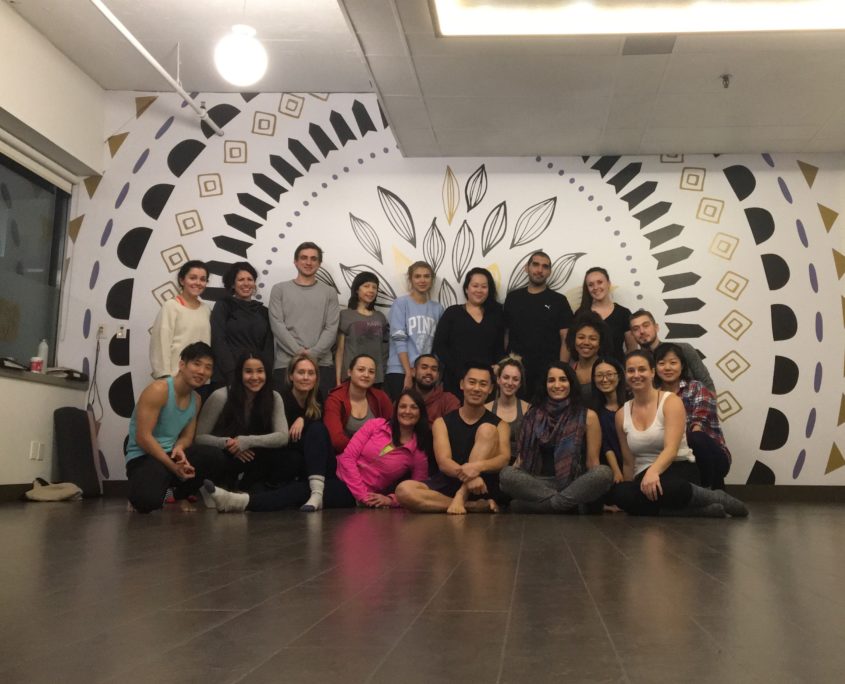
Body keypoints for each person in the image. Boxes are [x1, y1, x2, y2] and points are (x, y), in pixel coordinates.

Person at [203, 390, 432, 512]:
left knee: (299, 491)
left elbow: (418, 491)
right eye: (403, 406)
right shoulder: (376, 425)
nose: (407, 411)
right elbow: (349, 456)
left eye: (413, 407)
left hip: (352, 493)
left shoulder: (418, 452)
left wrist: (389, 500)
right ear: (395, 409)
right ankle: (317, 490)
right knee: (317, 428)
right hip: (334, 468)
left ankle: (238, 502)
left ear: (421, 413)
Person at [608, 350, 747, 517]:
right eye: (631, 370)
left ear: (652, 372)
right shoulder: (621, 414)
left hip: (677, 467)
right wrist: (629, 490)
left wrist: (653, 472)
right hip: (644, 475)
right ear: (625, 375)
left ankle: (717, 497)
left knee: (670, 488)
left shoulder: (671, 401)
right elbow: (628, 461)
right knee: (620, 494)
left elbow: (671, 449)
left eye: (642, 369)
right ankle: (698, 512)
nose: (636, 375)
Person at [395, 364, 510, 514]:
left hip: (481, 486)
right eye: (472, 382)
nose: (476, 388)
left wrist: (477, 468)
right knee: (403, 490)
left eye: (483, 384)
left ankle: (461, 496)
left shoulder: (501, 425)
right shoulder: (441, 423)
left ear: (490, 389)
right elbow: (444, 462)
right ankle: (472, 506)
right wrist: (470, 478)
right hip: (449, 484)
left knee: (487, 429)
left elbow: (503, 459)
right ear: (462, 384)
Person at [499, 363, 613, 513]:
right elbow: (521, 461)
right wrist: (511, 479)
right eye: (551, 380)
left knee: (604, 473)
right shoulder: (532, 415)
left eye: (563, 380)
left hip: (574, 484)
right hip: (537, 483)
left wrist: (592, 485)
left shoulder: (588, 416)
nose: (557, 385)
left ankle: (540, 506)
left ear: (571, 383)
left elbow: (592, 462)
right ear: (545, 385)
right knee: (506, 475)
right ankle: (568, 505)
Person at [125, 342, 224, 513]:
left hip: (170, 454)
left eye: (208, 367)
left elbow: (187, 436)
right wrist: (173, 467)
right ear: (182, 365)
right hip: (145, 455)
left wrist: (179, 448)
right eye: (197, 364)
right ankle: (148, 490)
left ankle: (176, 496)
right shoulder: (159, 389)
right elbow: (143, 437)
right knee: (146, 502)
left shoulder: (196, 399)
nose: (202, 371)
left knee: (215, 457)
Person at [194, 352, 288, 491]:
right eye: (248, 371)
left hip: (254, 455)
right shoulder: (221, 396)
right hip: (223, 455)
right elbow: (199, 438)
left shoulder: (274, 397)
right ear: (239, 373)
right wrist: (229, 444)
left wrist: (247, 441)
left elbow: (283, 436)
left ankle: (247, 491)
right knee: (214, 457)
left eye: (260, 371)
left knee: (287, 457)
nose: (255, 377)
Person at [654, 342, 731, 489]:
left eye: (673, 363)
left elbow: (698, 425)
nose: (667, 368)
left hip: (710, 455)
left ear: (682, 366)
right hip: (674, 455)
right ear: (655, 368)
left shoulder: (696, 387)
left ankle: (711, 489)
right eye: (662, 363)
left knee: (695, 437)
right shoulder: (654, 395)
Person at [269, 241, 339, 400]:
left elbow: (331, 328)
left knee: (320, 413)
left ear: (319, 263)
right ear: (295, 261)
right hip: (286, 365)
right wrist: (299, 352)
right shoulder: (279, 289)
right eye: (304, 258)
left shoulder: (330, 292)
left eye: (314, 259)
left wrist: (312, 354)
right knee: (284, 413)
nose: (308, 262)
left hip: (321, 365)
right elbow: (277, 325)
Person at [503, 250, 573, 397]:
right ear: (526, 268)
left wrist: (561, 370)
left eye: (545, 266)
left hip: (547, 374)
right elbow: (506, 334)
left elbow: (566, 338)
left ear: (549, 272)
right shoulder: (513, 298)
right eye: (535, 264)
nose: (540, 270)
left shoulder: (559, 301)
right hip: (516, 374)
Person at [432, 267, 505, 397]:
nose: (479, 290)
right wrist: (460, 372)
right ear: (466, 288)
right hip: (455, 380)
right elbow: (440, 346)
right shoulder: (452, 313)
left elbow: (499, 347)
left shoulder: (496, 315)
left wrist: (499, 366)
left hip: (485, 383)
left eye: (484, 286)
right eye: (475, 286)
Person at [385, 261, 444, 399]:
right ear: (410, 279)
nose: (422, 280)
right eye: (417, 276)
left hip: (425, 373)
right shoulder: (401, 303)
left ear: (432, 280)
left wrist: (436, 373)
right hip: (400, 370)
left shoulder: (437, 308)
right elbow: (399, 338)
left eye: (426, 276)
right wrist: (408, 372)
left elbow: (438, 344)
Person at [209, 261, 273, 389]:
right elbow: (218, 340)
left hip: (255, 378)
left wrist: (262, 372)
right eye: (241, 280)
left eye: (250, 279)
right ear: (233, 284)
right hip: (227, 376)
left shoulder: (263, 311)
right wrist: (232, 373)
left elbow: (268, 347)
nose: (246, 283)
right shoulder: (223, 305)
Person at [149, 260, 211, 379]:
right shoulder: (171, 306)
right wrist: (164, 376)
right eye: (193, 278)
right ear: (182, 280)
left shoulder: (206, 309)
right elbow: (160, 345)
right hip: (175, 377)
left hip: (200, 378)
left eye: (203, 279)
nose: (198, 283)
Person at [629, 309, 715, 392]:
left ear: (656, 327)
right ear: (632, 335)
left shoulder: (683, 349)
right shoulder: (634, 362)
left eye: (646, 325)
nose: (642, 331)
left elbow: (707, 384)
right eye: (636, 329)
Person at [324, 353, 393, 454]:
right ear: (349, 372)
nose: (366, 375)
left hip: (377, 454)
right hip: (345, 454)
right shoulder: (335, 399)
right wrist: (365, 452)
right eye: (361, 370)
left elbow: (392, 428)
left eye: (371, 372)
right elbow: (336, 440)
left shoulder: (380, 397)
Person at [335, 271, 389, 386]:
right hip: (351, 377)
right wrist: (338, 380)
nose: (371, 290)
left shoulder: (380, 317)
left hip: (375, 378)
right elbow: (340, 350)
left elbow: (384, 350)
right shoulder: (345, 315)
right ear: (356, 289)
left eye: (374, 287)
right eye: (366, 286)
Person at [575, 267, 635, 364]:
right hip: (587, 371)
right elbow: (574, 348)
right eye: (591, 285)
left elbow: (632, 349)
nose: (595, 287)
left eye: (600, 282)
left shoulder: (623, 313)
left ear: (608, 283)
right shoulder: (580, 314)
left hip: (616, 371)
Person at [485, 355, 530, 463]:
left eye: (515, 379)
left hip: (519, 467)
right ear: (498, 379)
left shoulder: (528, 409)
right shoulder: (486, 409)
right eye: (506, 377)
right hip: (490, 465)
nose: (510, 383)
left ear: (520, 384)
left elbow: (530, 448)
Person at [590, 357, 626, 484]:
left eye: (609, 374)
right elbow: (606, 445)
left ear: (619, 376)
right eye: (599, 375)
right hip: (612, 469)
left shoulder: (632, 403)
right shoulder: (594, 412)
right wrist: (616, 471)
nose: (604, 379)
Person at [566, 312, 608, 403]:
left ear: (600, 343)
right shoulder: (568, 371)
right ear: (573, 340)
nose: (586, 342)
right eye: (581, 337)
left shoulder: (608, 370)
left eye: (593, 339)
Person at [411, 354, 460, 426]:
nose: (429, 372)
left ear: (438, 375)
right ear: (414, 372)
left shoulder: (449, 400)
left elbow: (454, 427)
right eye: (424, 367)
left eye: (434, 369)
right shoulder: (404, 399)